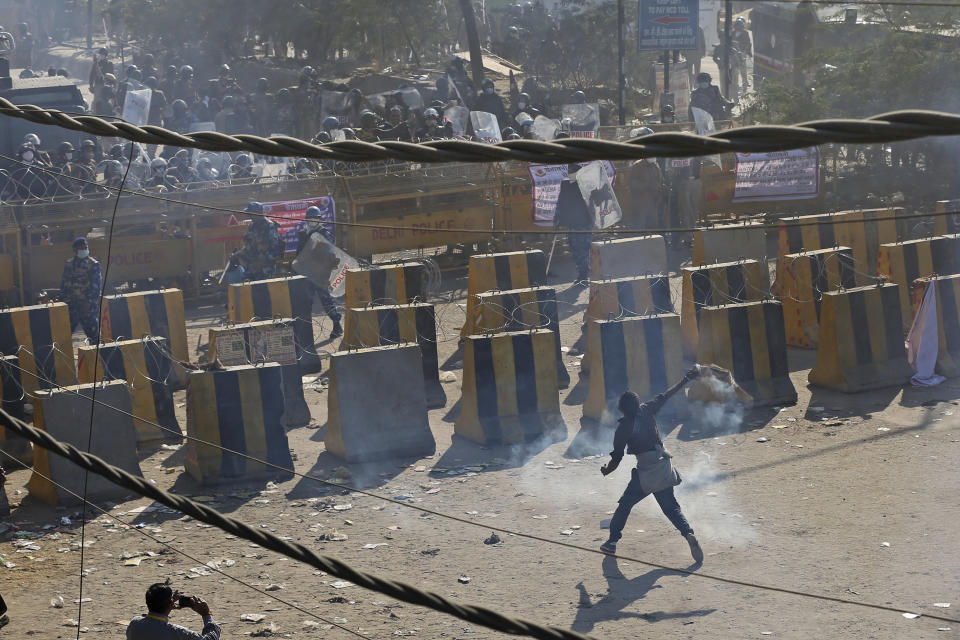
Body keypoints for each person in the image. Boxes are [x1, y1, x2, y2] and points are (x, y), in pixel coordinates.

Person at [599, 367, 704, 562]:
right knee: (671, 508)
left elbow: (616, 458)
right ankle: (688, 533)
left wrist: (606, 470)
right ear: (637, 404)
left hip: (646, 473)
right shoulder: (647, 409)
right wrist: (685, 379)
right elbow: (667, 394)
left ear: (621, 409)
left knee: (624, 505)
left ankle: (612, 542)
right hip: (663, 465)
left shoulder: (623, 428)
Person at [296, 206, 342, 338]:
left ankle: (337, 325)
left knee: (327, 302)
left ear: (319, 220)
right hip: (307, 275)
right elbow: (299, 254)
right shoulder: (303, 234)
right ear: (306, 220)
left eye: (315, 218)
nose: (312, 221)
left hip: (321, 275)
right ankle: (306, 333)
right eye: (310, 219)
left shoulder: (324, 233)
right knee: (306, 303)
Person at [126, 582, 220, 640]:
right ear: (171, 604)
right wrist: (206, 614)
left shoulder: (134, 623)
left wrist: (169, 604)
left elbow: (149, 620)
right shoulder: (178, 633)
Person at [554, 164, 592, 283]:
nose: (569, 174)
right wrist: (557, 219)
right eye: (568, 171)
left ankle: (584, 275)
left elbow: (592, 203)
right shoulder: (565, 185)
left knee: (584, 249)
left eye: (572, 171)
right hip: (571, 223)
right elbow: (560, 203)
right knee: (574, 249)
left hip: (583, 223)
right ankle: (582, 273)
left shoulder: (585, 185)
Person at [59, 237, 102, 342]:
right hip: (71, 307)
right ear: (75, 250)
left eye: (85, 247)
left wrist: (88, 302)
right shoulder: (69, 264)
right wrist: (62, 302)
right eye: (81, 248)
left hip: (87, 307)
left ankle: (97, 357)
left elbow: (96, 287)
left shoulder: (93, 264)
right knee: (64, 338)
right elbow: (64, 285)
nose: (84, 250)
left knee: (94, 338)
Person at [237, 202, 282, 280]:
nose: (249, 216)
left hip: (265, 267)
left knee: (264, 290)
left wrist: (263, 263)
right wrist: (238, 254)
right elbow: (249, 245)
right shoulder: (252, 226)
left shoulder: (269, 226)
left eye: (251, 214)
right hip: (252, 265)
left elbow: (274, 249)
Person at [730, 17, 752, 93]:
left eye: (740, 25)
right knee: (734, 70)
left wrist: (746, 51)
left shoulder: (745, 33)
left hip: (742, 53)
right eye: (737, 25)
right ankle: (735, 85)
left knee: (743, 70)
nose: (738, 27)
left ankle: (744, 85)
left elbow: (748, 43)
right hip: (733, 53)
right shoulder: (732, 33)